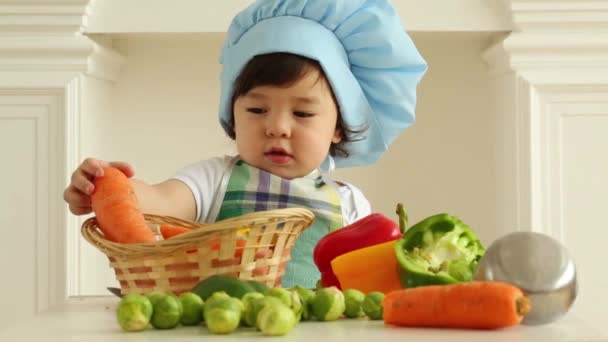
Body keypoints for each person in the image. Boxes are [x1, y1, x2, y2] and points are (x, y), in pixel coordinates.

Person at [63, 0, 427, 289]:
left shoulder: (350, 204)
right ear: (233, 114)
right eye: (257, 108)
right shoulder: (214, 180)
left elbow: (373, 281)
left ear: (338, 128)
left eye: (302, 113)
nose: (277, 127)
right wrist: (107, 186)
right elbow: (158, 200)